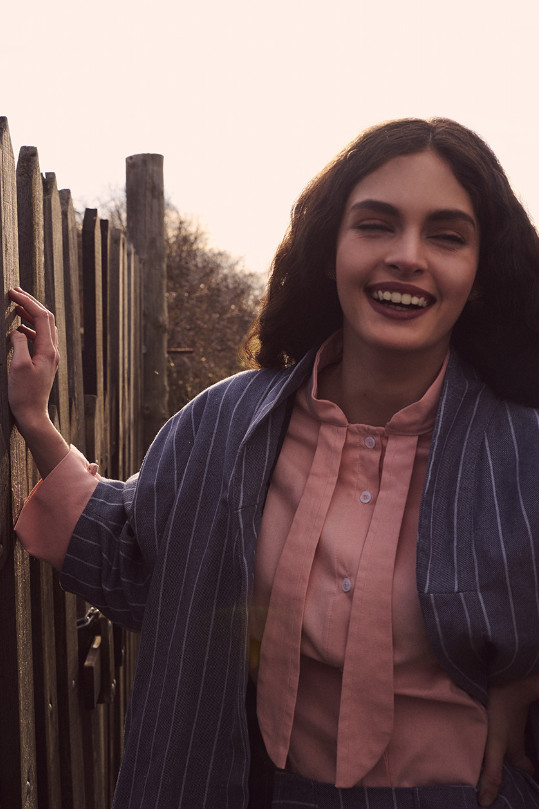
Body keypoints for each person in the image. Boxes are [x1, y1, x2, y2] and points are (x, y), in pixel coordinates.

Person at [8, 117, 539, 809]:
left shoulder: (523, 448)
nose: (407, 256)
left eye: (446, 235)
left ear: (478, 268)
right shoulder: (224, 424)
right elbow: (143, 561)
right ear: (329, 249)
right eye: (375, 225)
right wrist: (36, 420)